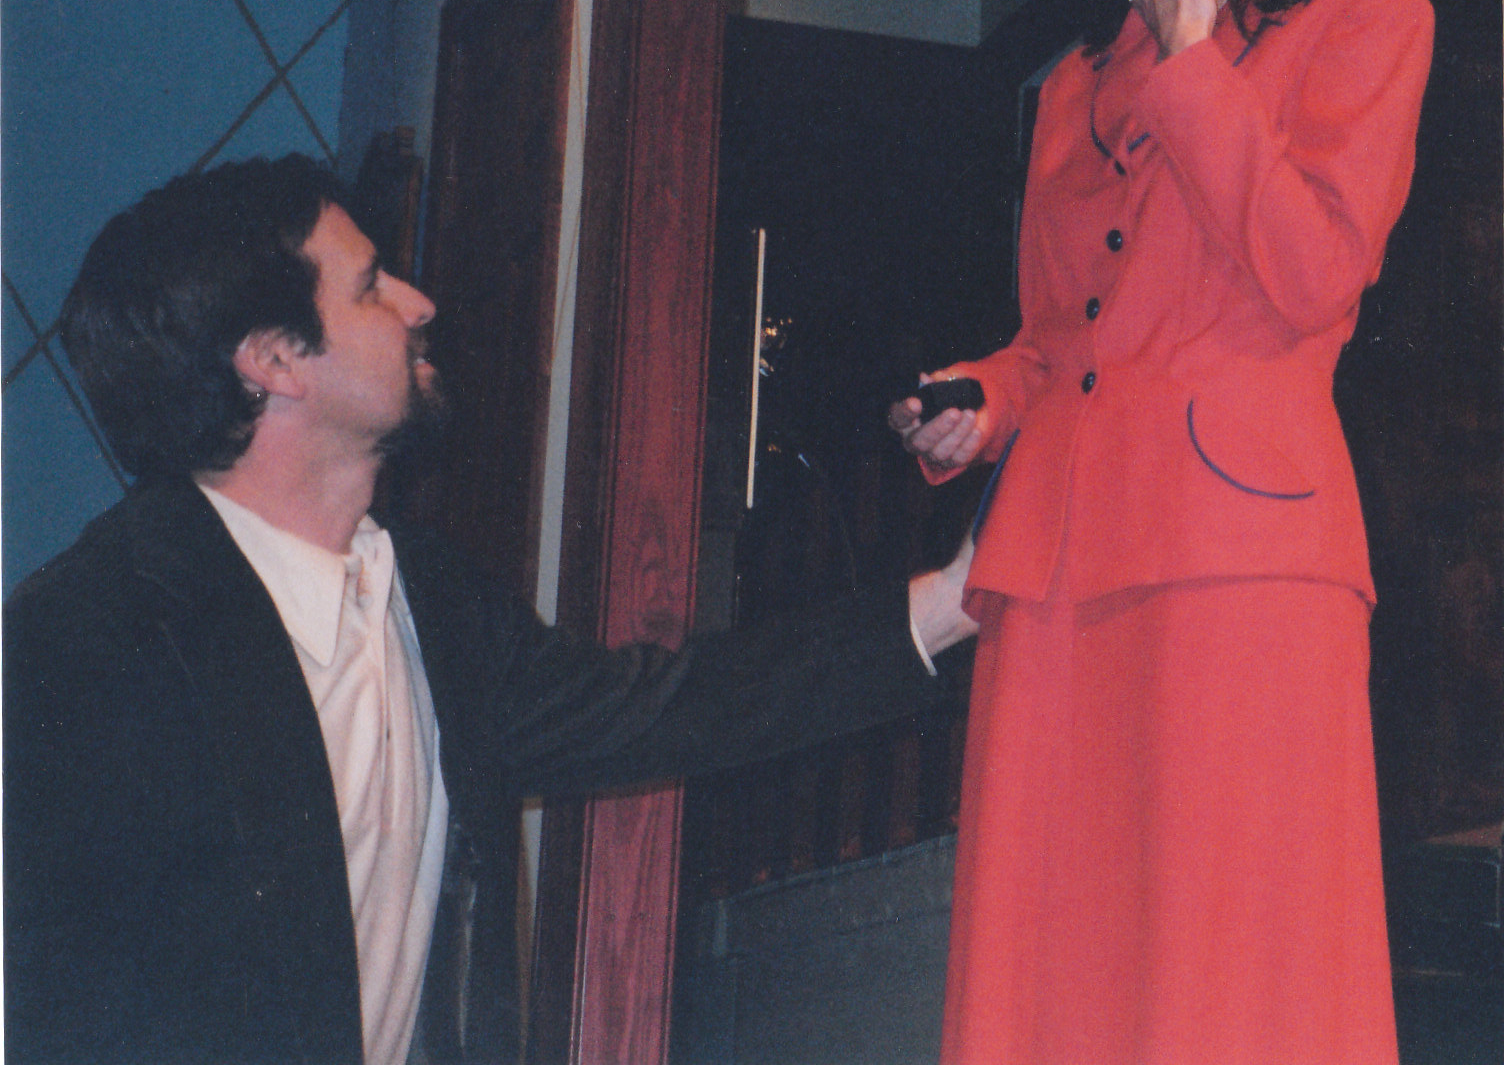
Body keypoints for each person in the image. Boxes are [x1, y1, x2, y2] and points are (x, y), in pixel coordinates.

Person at [5, 153, 978, 1065]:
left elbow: (668, 707)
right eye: (371, 283)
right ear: (273, 362)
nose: (419, 302)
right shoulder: (87, 640)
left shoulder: (427, 595)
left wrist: (952, 598)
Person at [890, 0, 1432, 1065]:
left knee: (1227, 978)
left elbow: (1314, 276)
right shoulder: (1079, 83)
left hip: (1240, 562)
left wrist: (1197, 64)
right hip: (1059, 571)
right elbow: (1058, 339)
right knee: (1048, 986)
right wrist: (982, 398)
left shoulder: (1370, 21)